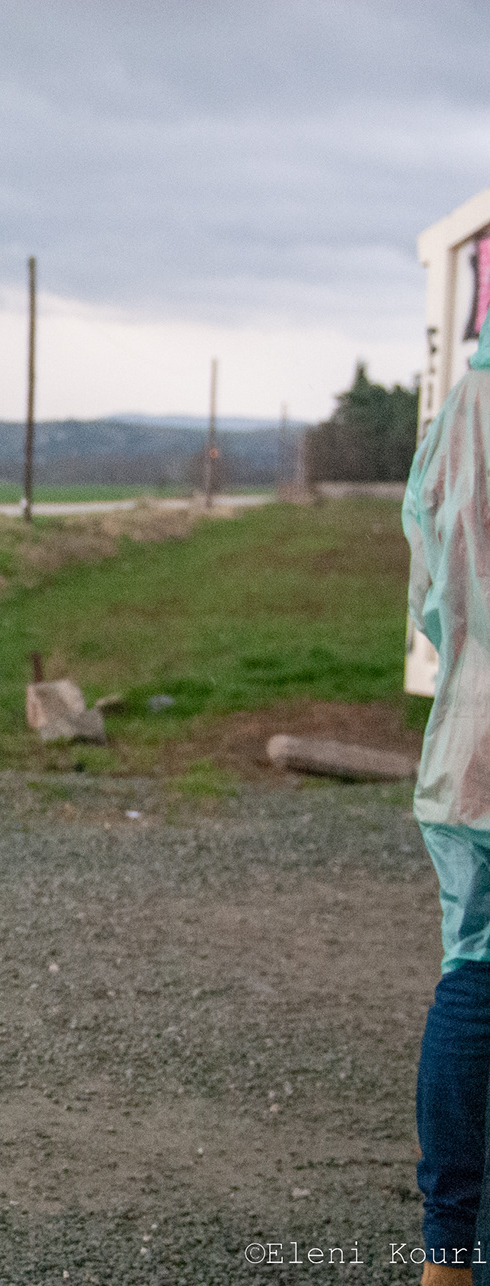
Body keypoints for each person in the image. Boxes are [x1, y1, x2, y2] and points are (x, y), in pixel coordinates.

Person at [405, 322, 490, 1286]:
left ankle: (448, 1255)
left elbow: (431, 603)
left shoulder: (456, 419)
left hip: (469, 751)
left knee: (472, 972)